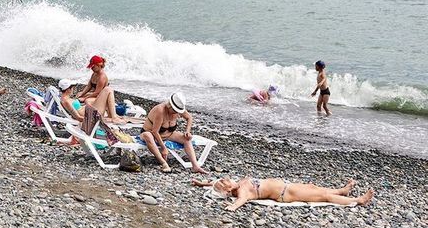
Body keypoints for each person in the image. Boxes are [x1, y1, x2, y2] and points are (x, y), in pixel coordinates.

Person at [192, 177, 373, 212]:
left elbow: (214, 182)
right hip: (286, 193)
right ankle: (358, 200)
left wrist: (203, 183)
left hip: (287, 186)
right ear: (227, 190)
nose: (226, 178)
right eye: (225, 182)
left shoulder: (238, 183)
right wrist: (232, 206)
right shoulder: (241, 190)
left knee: (315, 188)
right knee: (323, 197)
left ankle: (342, 190)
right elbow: (241, 201)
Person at [140, 93, 206, 173]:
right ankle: (164, 163)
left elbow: (189, 117)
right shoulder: (160, 110)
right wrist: (163, 148)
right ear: (169, 106)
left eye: (178, 111)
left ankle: (195, 166)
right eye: (175, 110)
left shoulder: (178, 108)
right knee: (148, 135)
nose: (176, 113)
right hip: (151, 134)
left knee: (186, 139)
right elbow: (155, 131)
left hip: (168, 134)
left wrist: (187, 131)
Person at [59, 79, 126, 124]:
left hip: (89, 111)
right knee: (108, 89)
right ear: (68, 89)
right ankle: (114, 117)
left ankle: (112, 115)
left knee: (92, 99)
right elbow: (78, 117)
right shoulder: (66, 101)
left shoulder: (64, 98)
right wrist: (99, 120)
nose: (73, 89)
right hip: (91, 114)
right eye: (72, 88)